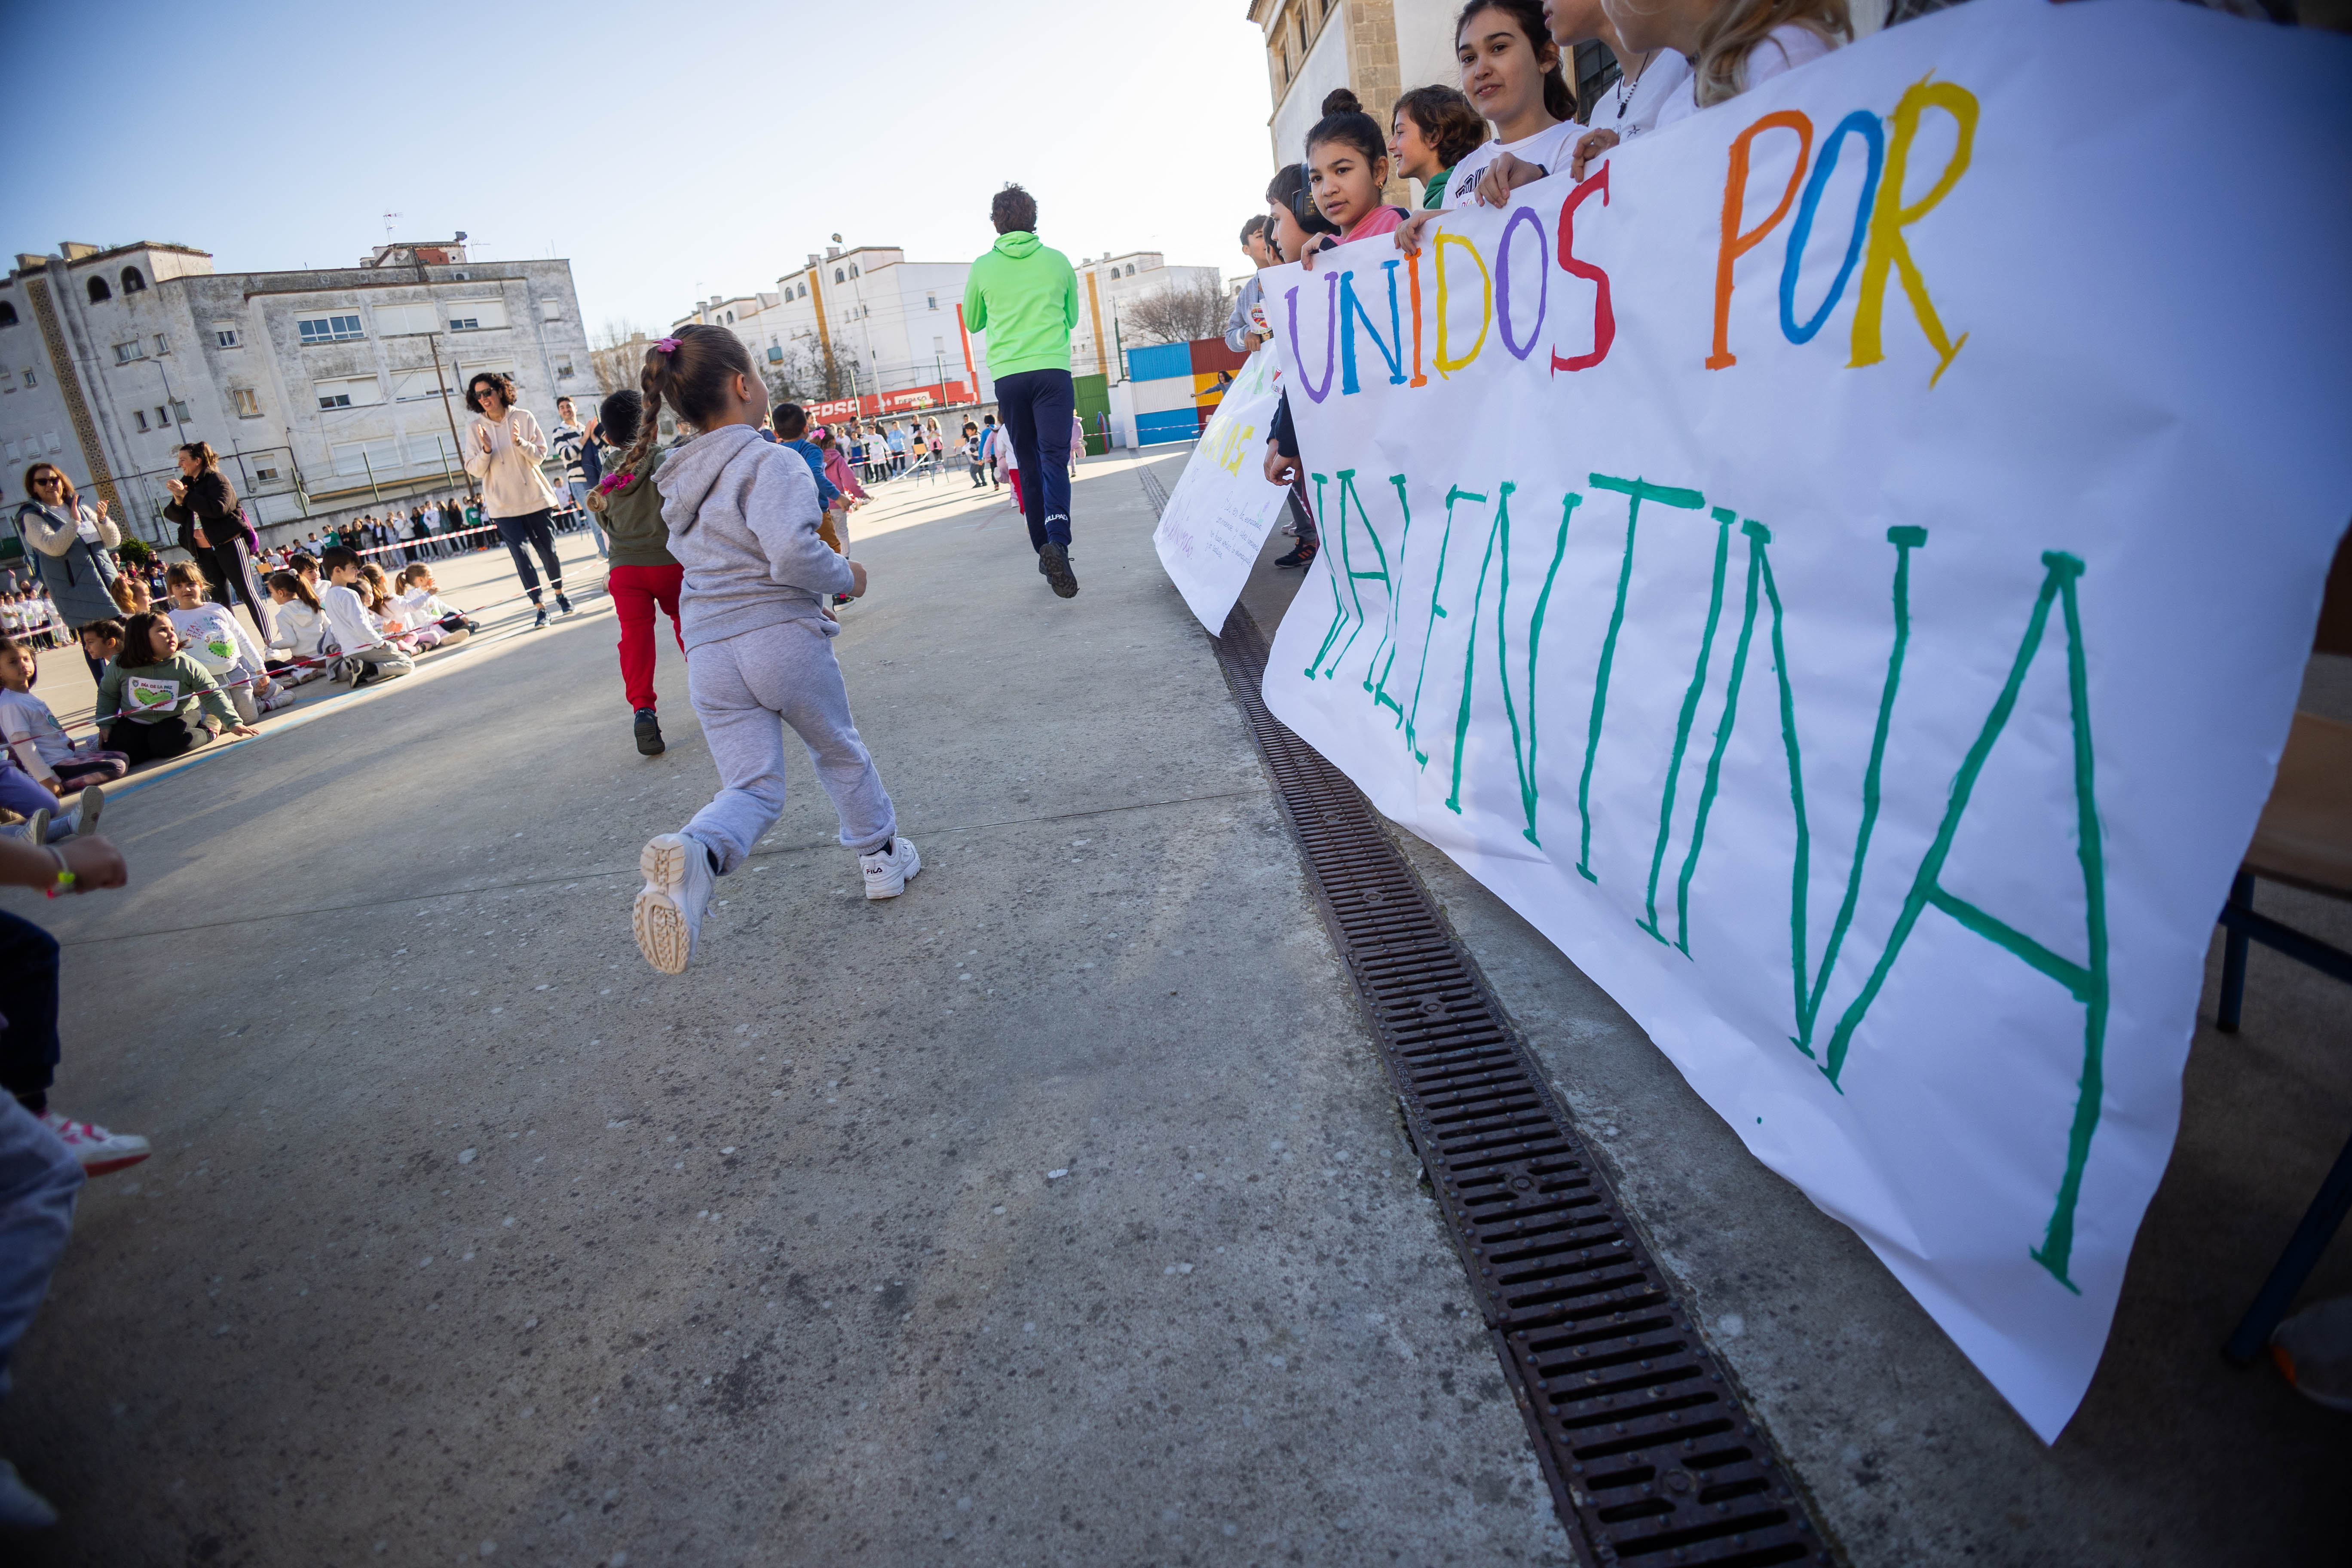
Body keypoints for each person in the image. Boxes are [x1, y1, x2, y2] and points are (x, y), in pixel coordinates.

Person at [617, 325, 918, 974]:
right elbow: (790, 554)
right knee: (838, 749)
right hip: (779, 639)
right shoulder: (770, 459)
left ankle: (695, 852)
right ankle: (882, 861)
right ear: (743, 385)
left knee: (753, 787)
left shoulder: (677, 479)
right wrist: (848, 577)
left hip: (711, 655)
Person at [963, 184, 1082, 599]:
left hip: (1010, 376)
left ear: (996, 223)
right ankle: (1059, 540)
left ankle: (1042, 547)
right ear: (1034, 219)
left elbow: (974, 322)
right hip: (1052, 369)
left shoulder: (982, 267)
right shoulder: (1058, 261)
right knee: (1054, 456)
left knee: (1027, 461)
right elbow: (1072, 316)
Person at [1393, 0, 1579, 263]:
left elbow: (1581, 236)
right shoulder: (1462, 172)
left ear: (1546, 56)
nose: (1481, 71)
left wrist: (1538, 183)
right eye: (1469, 58)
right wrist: (1430, 230)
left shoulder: (1578, 147)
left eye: (1499, 48)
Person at [588, 389, 686, 758]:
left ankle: (643, 709)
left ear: (608, 437)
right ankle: (717, 690)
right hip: (668, 563)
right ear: (649, 425)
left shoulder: (606, 470)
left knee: (635, 638)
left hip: (626, 570)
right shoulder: (663, 458)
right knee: (687, 623)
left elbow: (602, 515)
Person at [464, 372, 572, 628]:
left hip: (535, 498)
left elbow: (540, 457)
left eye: (487, 392)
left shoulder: (524, 417)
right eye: (478, 396)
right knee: (521, 557)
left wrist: (520, 442)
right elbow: (475, 469)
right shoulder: (474, 429)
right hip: (502, 506)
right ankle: (540, 608)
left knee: (549, 552)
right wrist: (487, 450)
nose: (484, 399)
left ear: (499, 391)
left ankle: (560, 594)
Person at [93, 612, 258, 764]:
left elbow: (212, 694)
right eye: (163, 630)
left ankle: (208, 729)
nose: (172, 633)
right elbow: (108, 695)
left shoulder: (186, 665)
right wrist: (106, 724)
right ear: (140, 638)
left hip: (179, 715)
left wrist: (233, 722)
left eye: (172, 629)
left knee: (168, 745)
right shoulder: (120, 665)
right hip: (137, 719)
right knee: (121, 752)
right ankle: (149, 744)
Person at [12, 465, 123, 683]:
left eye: (54, 479)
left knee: (121, 639)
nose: (50, 484)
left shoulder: (79, 506)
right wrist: (73, 522)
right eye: (42, 482)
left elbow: (112, 542)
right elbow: (54, 547)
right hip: (75, 590)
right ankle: (108, 694)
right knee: (93, 645)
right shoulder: (32, 516)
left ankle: (134, 683)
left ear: (62, 481)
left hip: (106, 583)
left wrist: (102, 521)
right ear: (33, 488)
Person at [162, 443, 274, 648]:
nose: (180, 464)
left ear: (198, 461)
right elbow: (173, 515)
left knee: (247, 592)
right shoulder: (187, 484)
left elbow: (219, 509)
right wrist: (179, 499)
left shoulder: (217, 480)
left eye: (183, 459)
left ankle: (270, 644)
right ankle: (236, 649)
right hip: (203, 552)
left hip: (229, 544)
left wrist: (187, 496)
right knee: (220, 604)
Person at [0, 636, 120, 815]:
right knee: (117, 766)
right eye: (13, 662)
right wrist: (45, 778)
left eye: (26, 659)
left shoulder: (26, 697)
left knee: (120, 757)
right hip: (53, 765)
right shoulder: (10, 703)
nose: (23, 664)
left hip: (64, 756)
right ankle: (56, 785)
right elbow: (23, 745)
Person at [162, 563, 289, 721]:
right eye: (178, 585)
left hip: (236, 673)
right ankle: (259, 698)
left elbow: (242, 639)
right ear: (171, 590)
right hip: (208, 682)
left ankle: (264, 702)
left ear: (201, 585)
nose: (185, 589)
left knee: (250, 718)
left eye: (190, 584)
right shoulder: (172, 619)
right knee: (223, 723)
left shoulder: (218, 609)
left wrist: (260, 668)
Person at [317, 548, 417, 688]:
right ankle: (369, 671)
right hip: (364, 648)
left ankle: (360, 668)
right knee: (407, 664)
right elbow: (361, 627)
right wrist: (381, 644)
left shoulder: (330, 596)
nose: (357, 571)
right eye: (353, 568)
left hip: (348, 651)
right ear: (338, 571)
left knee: (395, 653)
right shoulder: (350, 595)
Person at [1390, 84, 1490, 210]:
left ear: (1435, 137)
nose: (1391, 146)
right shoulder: (1468, 185)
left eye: (1400, 133)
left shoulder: (1446, 201)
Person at [263, 573, 331, 683]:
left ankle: (299, 672)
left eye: (272, 592)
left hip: (304, 660)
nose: (272, 596)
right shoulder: (313, 606)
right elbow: (330, 629)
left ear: (281, 593)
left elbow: (291, 641)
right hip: (326, 657)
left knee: (269, 667)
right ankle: (315, 670)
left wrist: (271, 645)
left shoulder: (283, 615)